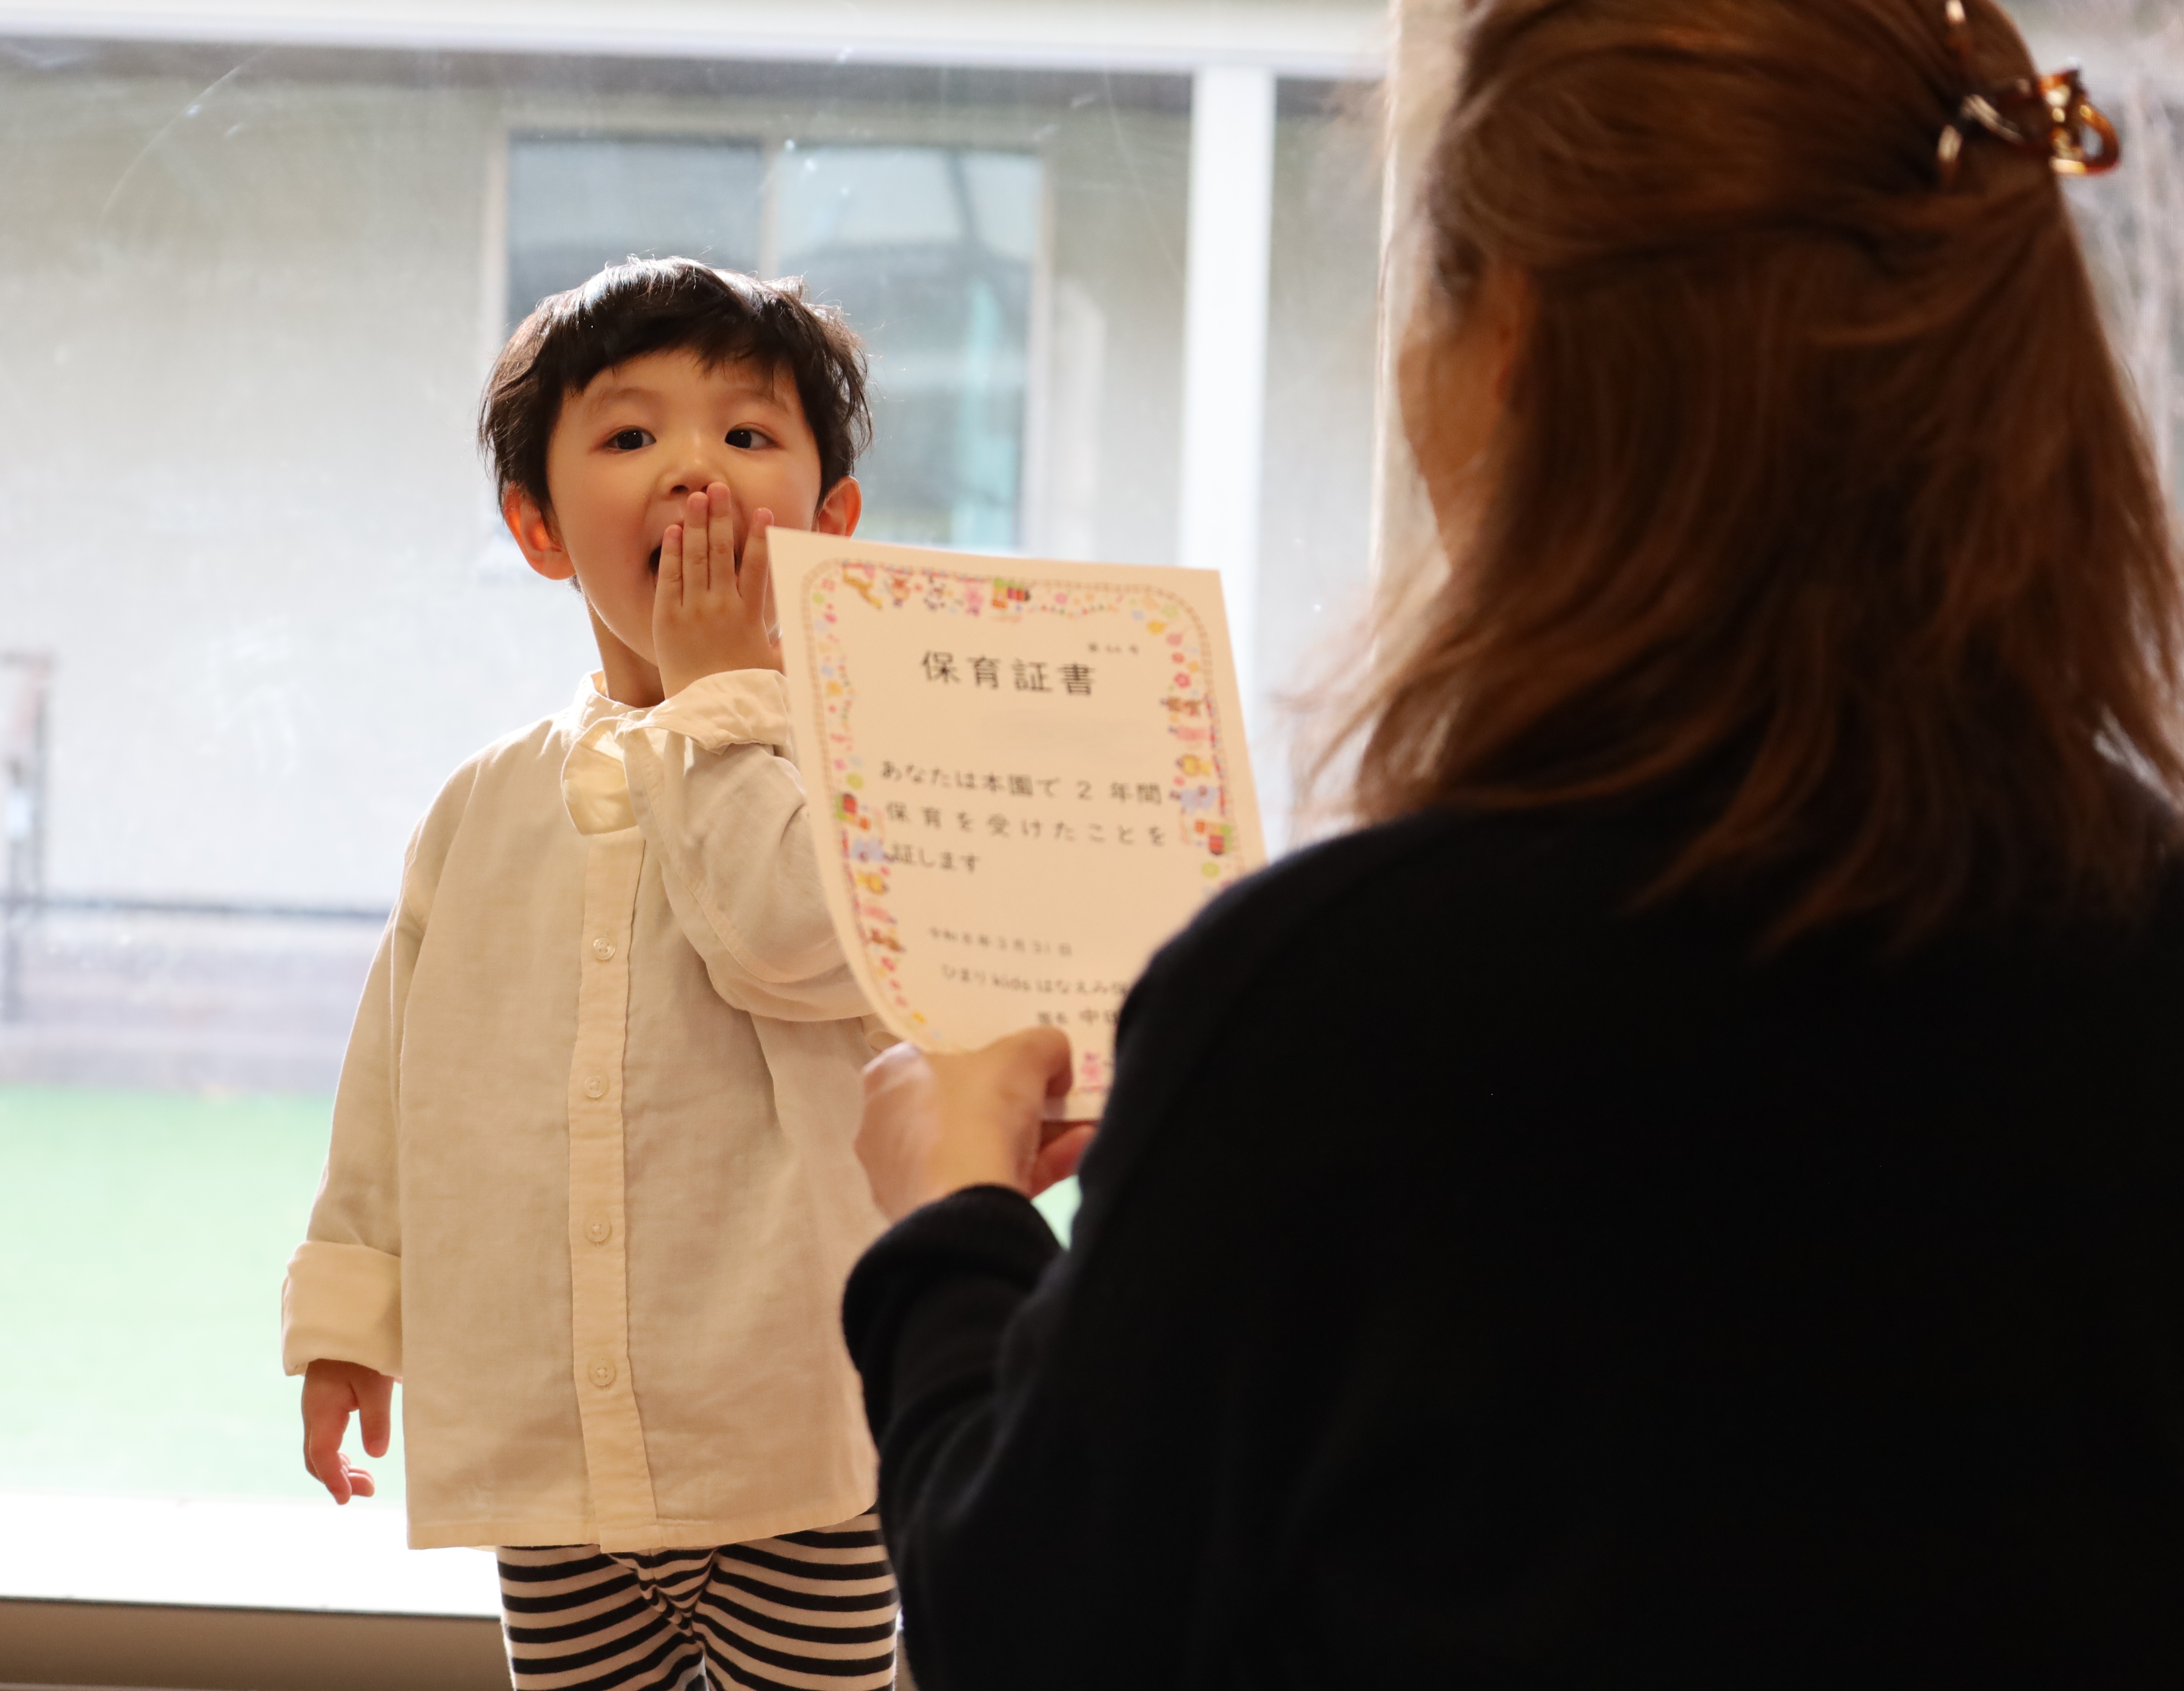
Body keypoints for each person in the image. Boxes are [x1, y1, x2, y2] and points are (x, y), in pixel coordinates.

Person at [842, 0, 2184, 1684]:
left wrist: (951, 1220)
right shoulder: (2147, 926)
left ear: (1516, 349)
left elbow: (1029, 1627)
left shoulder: (1343, 1004)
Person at [282, 259, 900, 1690]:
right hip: (556, 1443)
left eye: (747, 434)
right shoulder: (483, 807)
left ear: (832, 523)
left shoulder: (859, 774)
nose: (694, 469)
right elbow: (392, 1087)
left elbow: (788, 939)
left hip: (797, 1441)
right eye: (631, 435)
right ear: (539, 529)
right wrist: (352, 1323)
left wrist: (720, 700)